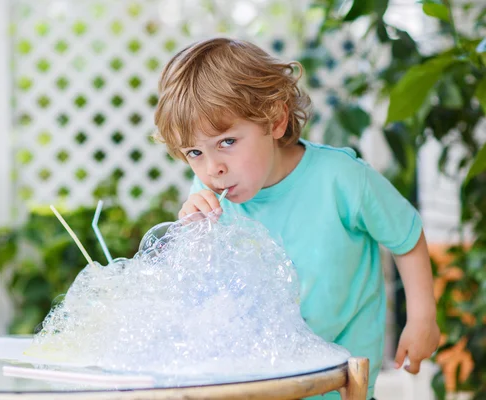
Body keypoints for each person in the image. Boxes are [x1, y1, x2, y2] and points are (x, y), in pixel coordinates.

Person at [153, 37, 440, 399]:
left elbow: (406, 236)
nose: (213, 168)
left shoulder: (340, 178)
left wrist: (421, 319)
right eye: (195, 151)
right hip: (256, 382)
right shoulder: (209, 193)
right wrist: (192, 238)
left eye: (227, 141)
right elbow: (204, 293)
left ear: (275, 120)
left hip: (341, 382)